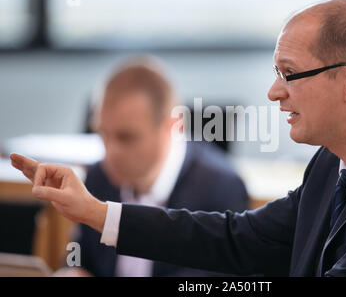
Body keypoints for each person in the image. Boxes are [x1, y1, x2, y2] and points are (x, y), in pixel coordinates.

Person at [11, 0, 346, 276]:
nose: (274, 92)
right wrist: (96, 212)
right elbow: (237, 238)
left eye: (290, 75)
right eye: (276, 73)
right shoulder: (331, 164)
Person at [51, 60, 249, 277]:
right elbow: (79, 256)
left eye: (126, 137)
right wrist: (73, 271)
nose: (110, 152)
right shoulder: (98, 176)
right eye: (103, 133)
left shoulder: (220, 189)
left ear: (172, 126)